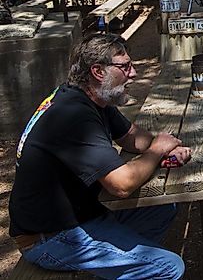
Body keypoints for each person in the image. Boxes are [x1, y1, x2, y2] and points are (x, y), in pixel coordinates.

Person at [9, 33, 191, 278]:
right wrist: (158, 150)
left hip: (81, 215)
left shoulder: (91, 98)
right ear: (98, 71)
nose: (134, 73)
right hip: (50, 237)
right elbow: (121, 185)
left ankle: (124, 268)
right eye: (125, 66)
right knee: (168, 267)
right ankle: (133, 265)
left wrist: (166, 146)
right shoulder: (75, 115)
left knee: (161, 207)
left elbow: (129, 136)